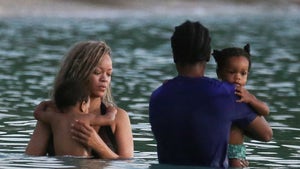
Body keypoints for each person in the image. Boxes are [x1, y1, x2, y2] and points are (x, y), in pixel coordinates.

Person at [149, 20, 272, 168]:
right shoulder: (227, 94)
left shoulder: (157, 96)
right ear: (208, 56)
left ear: (174, 56)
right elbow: (266, 134)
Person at [26, 41, 134, 159]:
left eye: (109, 74)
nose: (105, 79)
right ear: (79, 73)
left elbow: (127, 165)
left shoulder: (119, 117)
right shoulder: (52, 115)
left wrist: (98, 145)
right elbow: (31, 160)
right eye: (97, 72)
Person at [213, 44, 270, 167]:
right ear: (219, 73)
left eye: (243, 73)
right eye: (232, 72)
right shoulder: (225, 95)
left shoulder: (245, 96)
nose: (238, 77)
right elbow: (266, 134)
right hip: (226, 150)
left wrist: (251, 100)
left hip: (229, 150)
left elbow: (265, 110)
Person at [34, 79, 117, 157]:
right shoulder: (86, 118)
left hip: (60, 162)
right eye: (88, 104)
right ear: (83, 105)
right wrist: (111, 110)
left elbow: (37, 113)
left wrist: (44, 103)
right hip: (81, 162)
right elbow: (109, 119)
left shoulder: (54, 118)